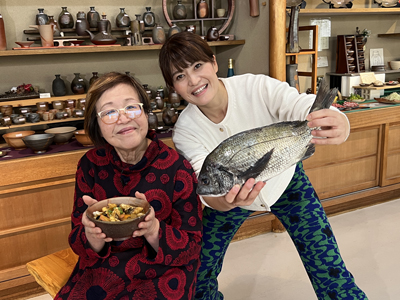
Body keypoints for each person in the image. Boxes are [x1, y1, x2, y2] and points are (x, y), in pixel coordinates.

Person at [159, 32, 368, 300]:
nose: (193, 80)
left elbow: (297, 105)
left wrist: (336, 120)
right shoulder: (185, 131)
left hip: (286, 182)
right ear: (173, 87)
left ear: (213, 62)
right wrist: (225, 201)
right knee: (197, 271)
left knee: (329, 268)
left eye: (198, 66)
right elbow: (205, 183)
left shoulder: (255, 87)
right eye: (180, 76)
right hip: (231, 196)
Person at [54, 72, 202, 300]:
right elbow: (76, 239)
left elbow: (192, 247)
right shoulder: (90, 164)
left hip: (163, 271)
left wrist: (154, 230)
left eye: (131, 107)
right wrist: (92, 235)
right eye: (110, 112)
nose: (123, 119)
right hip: (103, 271)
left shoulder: (177, 167)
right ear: (97, 124)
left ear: (144, 112)